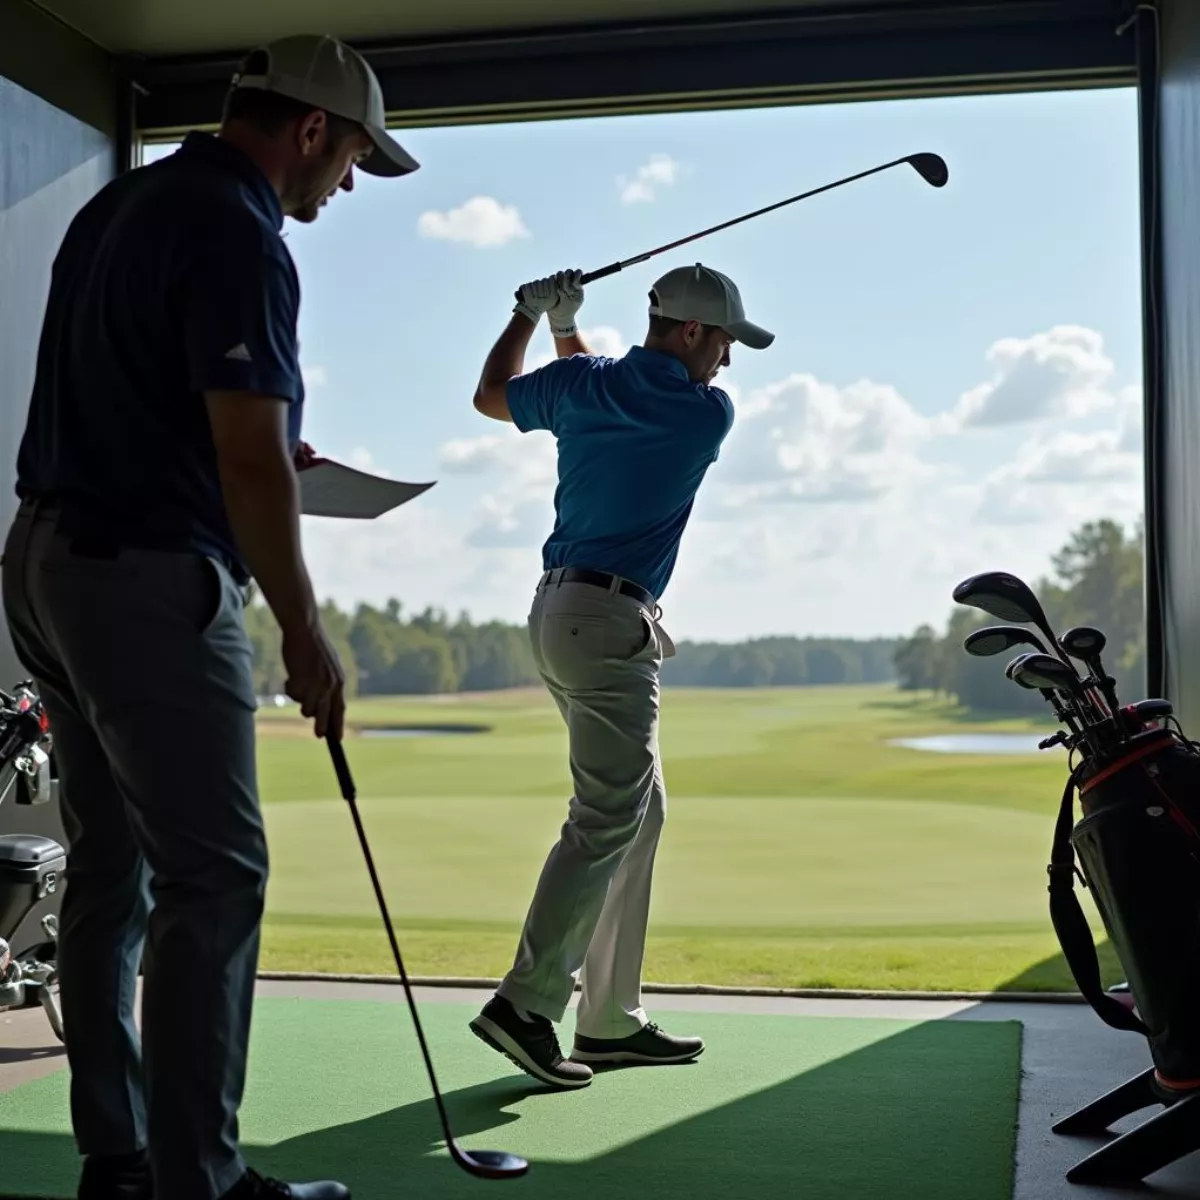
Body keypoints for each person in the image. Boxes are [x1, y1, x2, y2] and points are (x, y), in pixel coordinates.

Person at [0, 34, 419, 1200]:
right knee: (216, 877)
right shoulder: (242, 231)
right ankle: (201, 1181)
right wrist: (308, 632)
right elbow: (246, 456)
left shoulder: (126, 204)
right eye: (348, 166)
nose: (343, 190)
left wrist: (267, 453)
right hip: (142, 574)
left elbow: (165, 399)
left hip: (42, 554)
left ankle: (118, 1158)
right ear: (310, 131)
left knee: (112, 872)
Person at [467, 263, 774, 1088]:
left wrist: (531, 316)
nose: (727, 362)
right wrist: (563, 327)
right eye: (723, 342)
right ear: (688, 333)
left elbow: (494, 396)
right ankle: (527, 1004)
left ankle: (608, 1019)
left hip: (561, 617)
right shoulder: (706, 414)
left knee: (642, 813)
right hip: (606, 624)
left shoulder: (579, 384)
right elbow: (612, 391)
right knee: (606, 817)